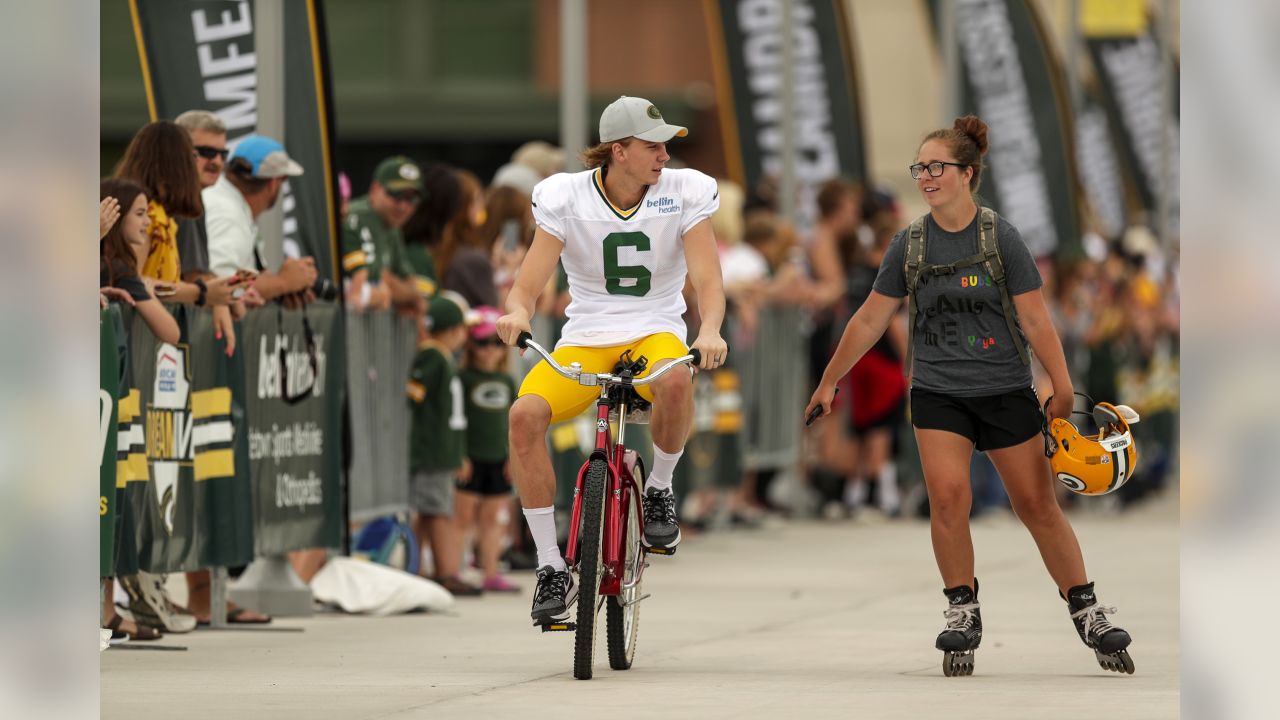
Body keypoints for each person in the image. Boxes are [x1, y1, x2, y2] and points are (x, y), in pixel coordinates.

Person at [805, 115, 1133, 673]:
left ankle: (1087, 609)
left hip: (1005, 389)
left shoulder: (999, 236)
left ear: (968, 173)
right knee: (950, 499)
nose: (927, 177)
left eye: (938, 167)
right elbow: (868, 320)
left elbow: (1036, 318)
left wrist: (1060, 382)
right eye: (920, 168)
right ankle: (962, 610)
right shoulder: (908, 244)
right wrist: (830, 378)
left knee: (1036, 505)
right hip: (938, 392)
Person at [494, 95, 728, 626]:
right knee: (523, 416)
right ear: (618, 152)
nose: (664, 155)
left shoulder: (685, 190)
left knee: (675, 379)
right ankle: (550, 566)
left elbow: (709, 278)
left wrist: (709, 329)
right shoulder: (564, 196)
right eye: (652, 146)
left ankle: (661, 489)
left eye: (666, 144)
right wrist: (516, 313)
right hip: (587, 336)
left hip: (654, 331)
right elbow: (527, 285)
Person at [114, 120, 241, 313]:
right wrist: (199, 293)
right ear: (175, 163)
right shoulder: (149, 217)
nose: (196, 163)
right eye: (194, 155)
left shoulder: (165, 219)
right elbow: (133, 283)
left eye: (223, 155)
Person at [408, 293, 481, 596]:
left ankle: (418, 569)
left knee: (430, 509)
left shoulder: (443, 358)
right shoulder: (431, 356)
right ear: (452, 330)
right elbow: (414, 393)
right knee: (436, 510)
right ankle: (445, 571)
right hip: (430, 451)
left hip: (442, 450)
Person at [203, 135, 319, 305]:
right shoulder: (228, 214)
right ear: (273, 183)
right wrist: (282, 282)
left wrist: (278, 291)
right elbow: (219, 285)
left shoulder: (228, 204)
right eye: (283, 179)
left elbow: (234, 281)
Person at [455, 306, 521, 593]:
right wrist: (460, 454)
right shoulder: (464, 378)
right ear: (471, 345)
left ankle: (491, 572)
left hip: (498, 458)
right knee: (464, 517)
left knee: (493, 518)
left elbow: (513, 423)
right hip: (471, 457)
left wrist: (513, 458)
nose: (490, 350)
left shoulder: (506, 381)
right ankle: (456, 568)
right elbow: (456, 421)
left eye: (496, 344)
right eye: (483, 343)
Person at [99, 178, 180, 344]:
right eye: (140, 214)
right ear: (116, 217)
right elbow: (171, 333)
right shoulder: (118, 268)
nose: (147, 222)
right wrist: (147, 289)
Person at [341, 155, 426, 314]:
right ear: (374, 190)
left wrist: (408, 294)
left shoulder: (391, 225)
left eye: (411, 199)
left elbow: (410, 280)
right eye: (396, 195)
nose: (403, 206)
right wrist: (410, 295)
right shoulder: (359, 217)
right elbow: (379, 280)